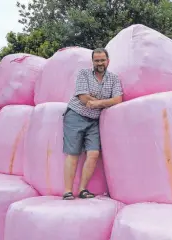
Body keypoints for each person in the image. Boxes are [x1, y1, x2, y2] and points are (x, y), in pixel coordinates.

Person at [62, 48, 123, 200]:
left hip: (94, 119)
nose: (100, 63)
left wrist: (97, 102)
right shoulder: (83, 74)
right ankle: (67, 191)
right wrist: (104, 102)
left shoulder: (114, 79)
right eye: (97, 60)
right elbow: (83, 98)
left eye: (102, 60)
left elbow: (118, 100)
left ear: (108, 61)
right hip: (76, 115)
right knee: (73, 153)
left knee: (94, 153)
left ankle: (83, 189)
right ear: (93, 62)